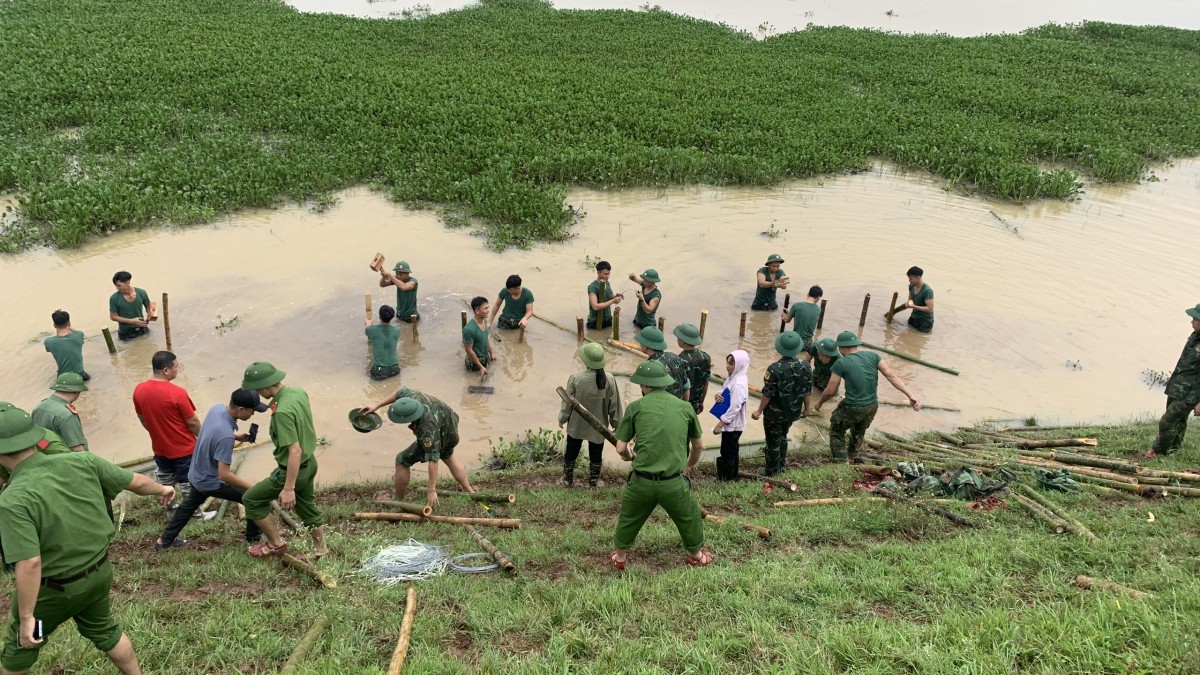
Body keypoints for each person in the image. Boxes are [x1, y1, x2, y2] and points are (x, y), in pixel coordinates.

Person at [0, 401, 175, 675]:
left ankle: (30, 634)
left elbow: (30, 562)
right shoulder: (83, 461)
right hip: (98, 575)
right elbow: (138, 482)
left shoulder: (13, 499)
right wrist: (162, 488)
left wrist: (26, 618)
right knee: (105, 629)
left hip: (53, 593)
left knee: (21, 647)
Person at [610, 360, 713, 570]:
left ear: (645, 386)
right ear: (664, 383)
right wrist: (688, 466)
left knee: (629, 518)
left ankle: (620, 558)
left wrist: (630, 456)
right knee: (689, 516)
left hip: (641, 481)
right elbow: (699, 446)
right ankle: (696, 555)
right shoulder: (684, 407)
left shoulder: (636, 407)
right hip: (673, 482)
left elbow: (621, 448)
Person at [154, 389, 269, 550]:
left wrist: (237, 436)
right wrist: (253, 488)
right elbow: (225, 474)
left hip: (196, 472)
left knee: (188, 506)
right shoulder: (225, 437)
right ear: (241, 409)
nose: (253, 415)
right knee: (251, 498)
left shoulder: (217, 409)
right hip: (209, 481)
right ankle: (253, 538)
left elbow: (213, 431)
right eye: (252, 411)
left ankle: (164, 541)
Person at [239, 362, 327, 559]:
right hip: (309, 462)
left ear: (264, 386)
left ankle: (276, 544)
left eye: (256, 389)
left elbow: (294, 451)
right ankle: (321, 549)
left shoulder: (281, 412)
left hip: (293, 469)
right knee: (306, 506)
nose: (257, 393)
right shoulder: (297, 392)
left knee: (251, 499)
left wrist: (288, 488)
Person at [360, 387, 478, 508]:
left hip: (439, 428)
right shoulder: (411, 397)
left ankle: (398, 500)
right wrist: (377, 405)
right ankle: (468, 490)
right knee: (447, 455)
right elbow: (398, 392)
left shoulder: (426, 430)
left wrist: (431, 491)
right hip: (450, 426)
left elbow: (433, 460)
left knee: (402, 461)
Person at [813, 331, 921, 463]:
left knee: (836, 431)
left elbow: (830, 390)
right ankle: (853, 455)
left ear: (841, 347)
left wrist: (819, 403)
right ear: (855, 345)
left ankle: (841, 462)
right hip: (872, 406)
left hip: (853, 407)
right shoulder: (874, 356)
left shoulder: (841, 363)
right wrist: (910, 395)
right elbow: (891, 376)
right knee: (859, 430)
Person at [132, 351, 200, 510]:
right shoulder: (177, 393)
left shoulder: (139, 390)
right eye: (176, 366)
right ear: (166, 370)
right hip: (184, 448)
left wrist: (157, 432)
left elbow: (142, 418)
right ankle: (194, 514)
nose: (178, 369)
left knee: (166, 483)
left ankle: (171, 511)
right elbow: (192, 422)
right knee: (188, 484)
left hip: (160, 448)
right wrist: (202, 438)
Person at [558, 343, 623, 487]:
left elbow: (567, 403)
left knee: (571, 451)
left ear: (585, 360)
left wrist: (562, 419)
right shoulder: (610, 379)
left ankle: (567, 479)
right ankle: (593, 481)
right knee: (596, 453)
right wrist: (616, 423)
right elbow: (615, 405)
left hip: (577, 424)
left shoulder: (576, 378)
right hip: (598, 427)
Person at [750, 332, 811, 475]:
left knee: (772, 442)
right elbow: (808, 390)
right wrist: (807, 409)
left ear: (779, 348)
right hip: (793, 411)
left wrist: (759, 411)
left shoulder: (774, 368)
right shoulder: (805, 366)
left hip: (775, 413)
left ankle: (771, 470)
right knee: (783, 436)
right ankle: (781, 465)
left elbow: (768, 393)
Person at [1146, 304, 1200, 459]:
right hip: (1178, 387)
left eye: (1195, 319)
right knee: (1180, 419)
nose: (1192, 322)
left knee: (1166, 421)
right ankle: (1173, 449)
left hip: (1192, 393)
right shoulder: (1195, 335)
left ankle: (1158, 451)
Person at [712, 351, 750, 481]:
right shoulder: (735, 377)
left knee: (727, 451)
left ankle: (725, 480)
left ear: (739, 364)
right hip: (733, 424)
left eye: (732, 363)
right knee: (732, 449)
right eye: (727, 362)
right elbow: (729, 393)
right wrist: (718, 393)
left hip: (733, 424)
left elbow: (735, 407)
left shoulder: (739, 383)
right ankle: (733, 476)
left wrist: (720, 424)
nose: (728, 366)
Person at [31, 373, 90, 452]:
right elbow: (77, 449)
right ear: (76, 391)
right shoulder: (67, 415)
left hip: (43, 456)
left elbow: (37, 438)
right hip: (62, 460)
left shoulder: (39, 407)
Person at [634, 327, 690, 401]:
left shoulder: (649, 367)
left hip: (660, 409)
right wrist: (685, 406)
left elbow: (648, 397)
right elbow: (686, 387)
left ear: (645, 346)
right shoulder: (675, 357)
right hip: (678, 407)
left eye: (640, 342)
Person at [674, 323, 711, 414]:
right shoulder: (705, 357)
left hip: (681, 405)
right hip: (695, 405)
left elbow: (678, 386)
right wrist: (701, 402)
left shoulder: (679, 361)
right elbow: (706, 383)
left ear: (683, 341)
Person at [44, 309, 89, 381]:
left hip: (62, 378)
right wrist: (68, 325)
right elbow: (78, 332)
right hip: (80, 375)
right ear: (69, 323)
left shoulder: (49, 342)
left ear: (54, 325)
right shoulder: (78, 335)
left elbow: (48, 350)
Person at [108, 271, 152, 341]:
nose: (117, 288)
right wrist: (131, 321)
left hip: (142, 329)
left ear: (127, 282)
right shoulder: (114, 298)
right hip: (126, 334)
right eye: (116, 285)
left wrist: (149, 314)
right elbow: (113, 317)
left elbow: (149, 306)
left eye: (119, 285)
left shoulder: (141, 292)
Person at [800, 337, 841, 406]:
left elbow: (833, 386)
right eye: (822, 355)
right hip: (816, 373)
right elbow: (806, 363)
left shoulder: (838, 361)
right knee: (811, 390)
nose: (824, 359)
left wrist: (820, 404)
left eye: (828, 357)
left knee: (830, 398)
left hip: (830, 378)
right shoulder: (814, 348)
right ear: (819, 352)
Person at [365, 304, 401, 380]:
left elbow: (368, 332)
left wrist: (368, 324)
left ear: (379, 316)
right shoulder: (397, 330)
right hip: (395, 369)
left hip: (380, 371)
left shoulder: (371, 330)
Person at [587, 261, 624, 329]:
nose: (607, 276)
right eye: (605, 274)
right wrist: (613, 301)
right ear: (598, 272)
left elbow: (610, 297)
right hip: (596, 321)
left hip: (607, 318)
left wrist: (617, 296)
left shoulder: (607, 283)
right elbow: (595, 306)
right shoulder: (592, 287)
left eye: (608, 274)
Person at [463, 296, 494, 375]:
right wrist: (480, 366)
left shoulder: (485, 321)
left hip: (485, 358)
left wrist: (492, 353)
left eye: (488, 308)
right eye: (485, 308)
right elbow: (468, 350)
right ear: (477, 311)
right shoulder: (469, 329)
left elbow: (485, 339)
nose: (488, 311)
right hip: (474, 364)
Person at [905, 266, 935, 333]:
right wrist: (909, 303)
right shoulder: (911, 286)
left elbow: (930, 309)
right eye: (909, 278)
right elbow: (910, 299)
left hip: (925, 321)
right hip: (914, 317)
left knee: (921, 339)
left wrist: (914, 306)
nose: (909, 280)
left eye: (911, 279)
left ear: (918, 278)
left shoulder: (927, 290)